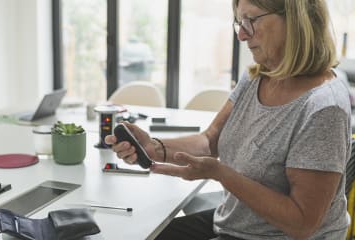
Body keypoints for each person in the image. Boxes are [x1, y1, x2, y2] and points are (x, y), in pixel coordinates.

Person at [105, 0, 352, 239]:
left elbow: (301, 225)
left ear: (296, 20)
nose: (242, 35)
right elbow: (210, 141)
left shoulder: (324, 107)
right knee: (142, 234)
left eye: (251, 20)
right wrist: (155, 147)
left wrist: (222, 175)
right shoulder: (257, 76)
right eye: (239, 23)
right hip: (234, 225)